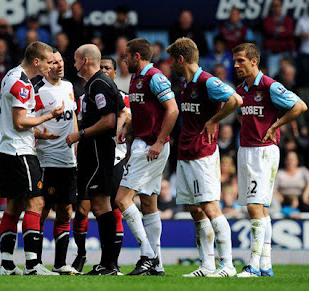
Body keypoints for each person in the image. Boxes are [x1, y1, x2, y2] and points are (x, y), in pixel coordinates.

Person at [167, 37, 242, 277]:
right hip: (186, 153)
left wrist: (213, 121)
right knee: (195, 209)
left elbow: (235, 100)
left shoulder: (206, 81)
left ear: (181, 59)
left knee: (211, 207)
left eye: (172, 60)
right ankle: (207, 265)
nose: (170, 65)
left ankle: (227, 265)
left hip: (203, 153)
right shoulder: (185, 83)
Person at [232, 42, 307, 277]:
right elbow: (238, 112)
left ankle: (253, 265)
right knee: (260, 209)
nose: (236, 65)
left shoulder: (269, 86)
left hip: (263, 151)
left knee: (255, 207)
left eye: (241, 60)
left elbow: (300, 106)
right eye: (235, 61)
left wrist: (276, 124)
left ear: (254, 61)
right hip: (246, 150)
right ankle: (265, 265)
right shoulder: (241, 89)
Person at [0, 41, 64, 276]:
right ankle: (33, 265)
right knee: (37, 203)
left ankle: (6, 265)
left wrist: (37, 133)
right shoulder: (23, 84)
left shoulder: (10, 76)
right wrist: (46, 117)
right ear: (36, 61)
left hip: (7, 149)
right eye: (48, 61)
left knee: (13, 207)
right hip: (20, 152)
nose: (51, 65)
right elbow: (20, 121)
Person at [116, 38, 178, 276]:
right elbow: (144, 112)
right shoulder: (136, 78)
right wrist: (128, 129)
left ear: (137, 56)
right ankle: (158, 264)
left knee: (122, 199)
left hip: (151, 146)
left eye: (126, 56)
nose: (124, 59)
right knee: (149, 204)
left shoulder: (155, 76)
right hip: (143, 141)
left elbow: (172, 109)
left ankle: (148, 256)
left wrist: (160, 141)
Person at [71, 56, 130, 275]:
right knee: (99, 206)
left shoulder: (99, 84)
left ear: (85, 60)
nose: (74, 64)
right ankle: (107, 264)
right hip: (95, 153)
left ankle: (109, 263)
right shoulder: (92, 86)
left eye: (76, 59)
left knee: (101, 206)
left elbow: (109, 121)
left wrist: (80, 134)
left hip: (98, 153)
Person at [31, 49, 79, 275]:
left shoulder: (69, 87)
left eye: (61, 61)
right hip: (46, 159)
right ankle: (35, 262)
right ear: (46, 65)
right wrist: (40, 135)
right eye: (54, 62)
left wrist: (76, 148)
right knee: (42, 209)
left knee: (66, 209)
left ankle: (60, 263)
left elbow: (74, 120)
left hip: (68, 160)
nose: (59, 65)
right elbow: (22, 122)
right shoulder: (36, 89)